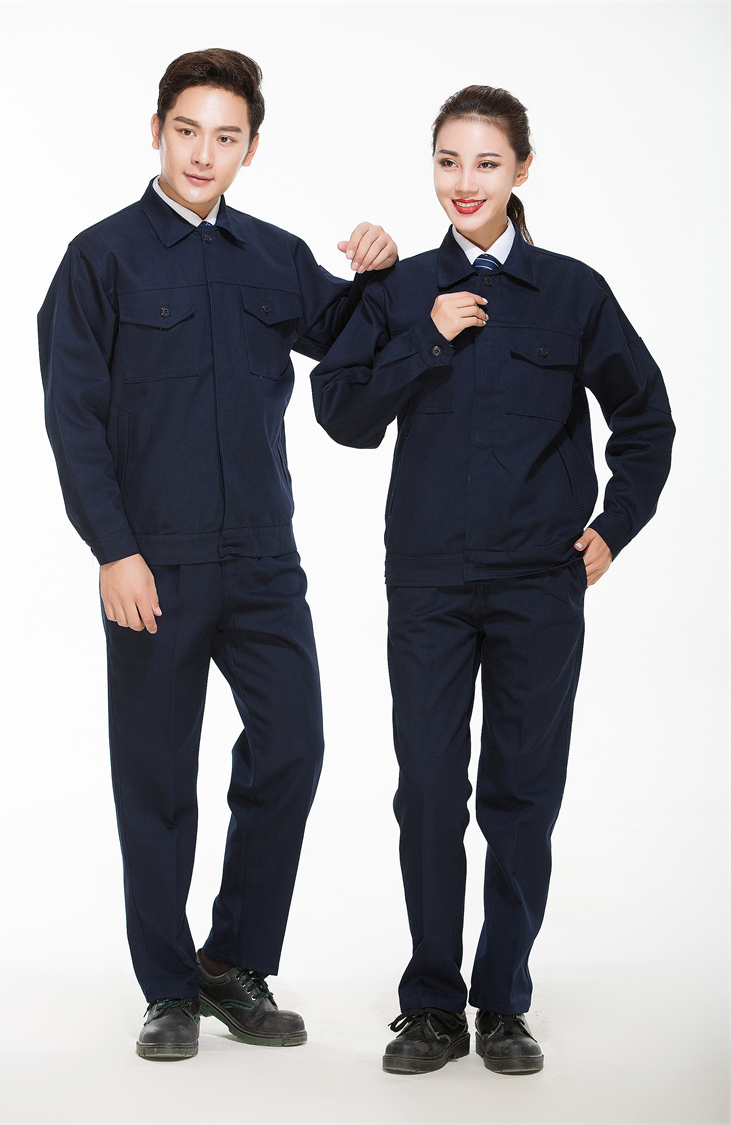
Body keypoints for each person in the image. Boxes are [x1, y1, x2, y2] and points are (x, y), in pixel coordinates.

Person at [38, 47, 397, 1061]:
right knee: (156, 777)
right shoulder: (99, 259)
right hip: (153, 561)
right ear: (156, 131)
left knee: (293, 746)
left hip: (264, 559)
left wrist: (380, 272)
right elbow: (74, 417)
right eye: (188, 130)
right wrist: (113, 549)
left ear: (250, 148)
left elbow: (356, 339)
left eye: (226, 136)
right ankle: (166, 988)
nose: (204, 153)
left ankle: (233, 962)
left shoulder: (274, 256)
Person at [311, 85, 674, 1077]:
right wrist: (426, 336)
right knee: (429, 792)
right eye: (447, 161)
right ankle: (432, 1004)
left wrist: (611, 531)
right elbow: (340, 413)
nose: (463, 182)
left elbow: (646, 421)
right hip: (429, 581)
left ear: (521, 169)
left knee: (521, 796)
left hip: (538, 586)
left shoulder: (573, 292)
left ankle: (503, 1000)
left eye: (485, 162)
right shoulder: (399, 288)